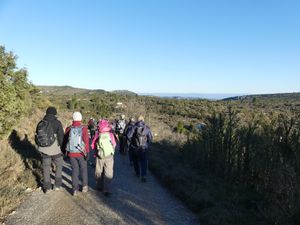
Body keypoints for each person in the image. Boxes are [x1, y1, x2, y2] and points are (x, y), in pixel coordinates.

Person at [35, 106, 64, 193]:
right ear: (55, 113)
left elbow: (37, 136)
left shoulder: (41, 122)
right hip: (55, 149)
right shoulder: (57, 122)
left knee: (46, 167)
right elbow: (61, 136)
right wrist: (61, 147)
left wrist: (40, 146)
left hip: (44, 149)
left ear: (47, 113)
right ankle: (57, 185)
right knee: (59, 165)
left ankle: (47, 187)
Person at [63, 111, 90, 196]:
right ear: (80, 118)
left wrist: (65, 152)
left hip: (71, 153)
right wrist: (87, 152)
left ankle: (74, 189)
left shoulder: (69, 128)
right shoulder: (84, 128)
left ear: (73, 118)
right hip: (81, 153)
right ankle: (84, 186)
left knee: (74, 171)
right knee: (83, 169)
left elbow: (65, 141)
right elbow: (86, 141)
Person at [91, 119, 117, 196]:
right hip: (109, 156)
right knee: (108, 172)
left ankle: (99, 186)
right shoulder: (110, 134)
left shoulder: (98, 133)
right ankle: (106, 189)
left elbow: (92, 145)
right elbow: (114, 144)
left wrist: (96, 152)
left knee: (98, 171)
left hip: (99, 155)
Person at [127, 115, 152, 182]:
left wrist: (132, 143)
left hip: (135, 147)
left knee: (136, 160)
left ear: (137, 120)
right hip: (144, 148)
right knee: (144, 161)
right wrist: (147, 145)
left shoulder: (134, 127)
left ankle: (137, 173)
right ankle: (143, 175)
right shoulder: (147, 128)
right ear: (143, 120)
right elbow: (150, 138)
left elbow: (129, 136)